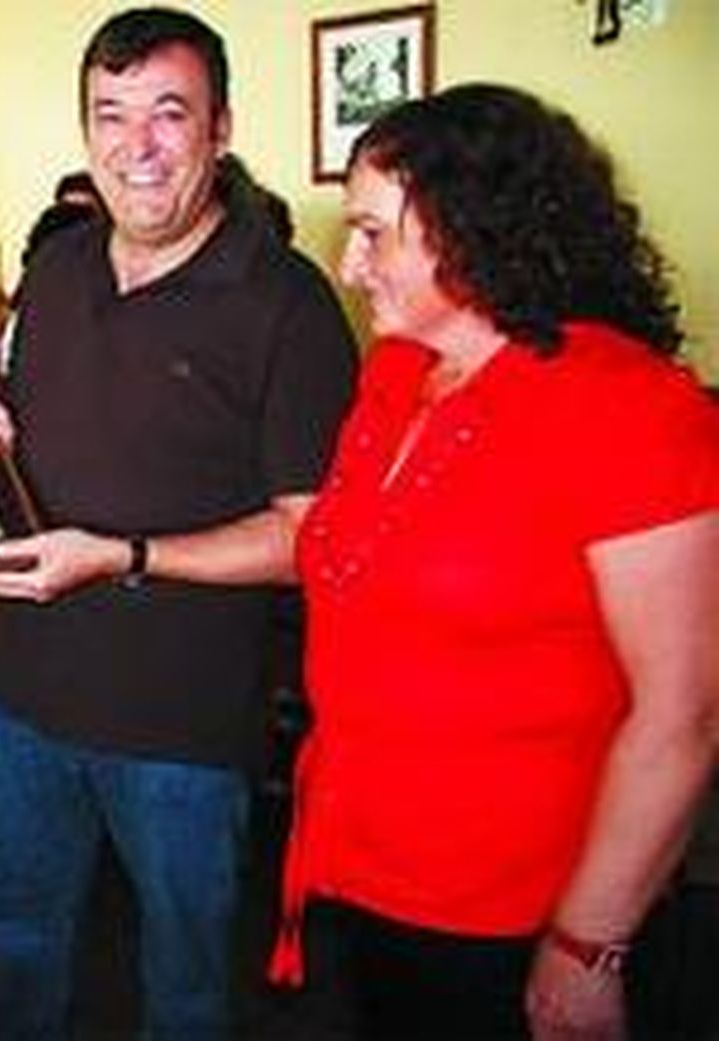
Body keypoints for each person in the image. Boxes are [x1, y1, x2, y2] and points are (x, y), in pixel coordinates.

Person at [268, 83, 719, 1041]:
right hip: (367, 865)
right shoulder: (393, 377)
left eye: (372, 234)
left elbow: (685, 714)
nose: (349, 266)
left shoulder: (632, 410)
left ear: (474, 229)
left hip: (522, 906)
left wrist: (586, 945)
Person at [0, 8, 358, 1040]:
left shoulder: (289, 305)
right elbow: (28, 441)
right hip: (22, 694)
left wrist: (121, 558)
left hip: (177, 727)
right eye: (109, 114)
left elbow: (306, 537)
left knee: (182, 983)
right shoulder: (55, 269)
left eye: (167, 114)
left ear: (220, 128)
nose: (134, 147)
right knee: (17, 940)